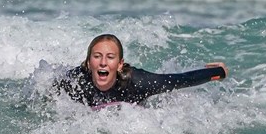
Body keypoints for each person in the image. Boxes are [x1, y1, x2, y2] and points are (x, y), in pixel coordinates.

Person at [51, 33, 226, 108]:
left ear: (120, 64)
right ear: (89, 63)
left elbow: (180, 79)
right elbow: (47, 92)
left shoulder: (138, 82)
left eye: (110, 57)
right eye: (97, 56)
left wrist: (218, 72)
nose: (103, 63)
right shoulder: (77, 81)